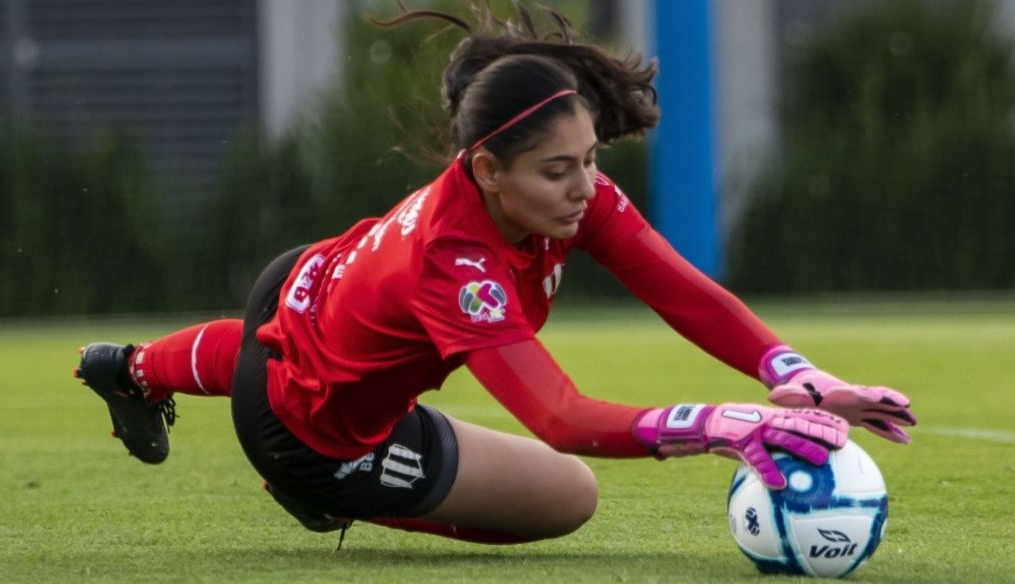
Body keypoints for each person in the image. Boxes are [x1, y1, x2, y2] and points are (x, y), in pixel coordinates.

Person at [74, 4, 914, 544]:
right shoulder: (455, 262)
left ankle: (133, 368)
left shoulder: (569, 191)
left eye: (590, 160)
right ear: (486, 171)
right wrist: (721, 425)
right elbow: (558, 414)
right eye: (559, 171)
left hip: (299, 285)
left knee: (290, 351)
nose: (586, 186)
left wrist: (796, 375)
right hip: (312, 433)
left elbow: (679, 287)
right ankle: (314, 485)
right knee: (567, 498)